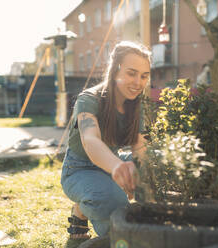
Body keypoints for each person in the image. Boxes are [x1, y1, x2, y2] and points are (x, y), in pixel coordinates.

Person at [60, 41, 150, 239]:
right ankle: (83, 212)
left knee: (159, 163)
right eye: (131, 73)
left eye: (144, 76)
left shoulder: (135, 105)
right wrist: (118, 167)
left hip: (112, 163)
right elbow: (90, 140)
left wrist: (141, 170)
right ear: (115, 69)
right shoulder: (88, 100)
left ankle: (85, 207)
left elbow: (140, 146)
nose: (138, 82)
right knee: (112, 200)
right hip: (79, 170)